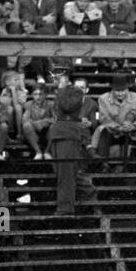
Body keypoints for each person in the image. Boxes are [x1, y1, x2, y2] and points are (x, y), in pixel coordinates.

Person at [47, 84, 97, 215]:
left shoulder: (63, 95)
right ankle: (67, 207)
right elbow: (68, 107)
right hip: (66, 132)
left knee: (66, 172)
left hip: (63, 131)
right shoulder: (72, 96)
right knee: (66, 172)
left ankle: (67, 208)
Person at [93, 71, 136, 162]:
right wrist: (118, 127)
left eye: (123, 90)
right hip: (114, 132)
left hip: (133, 133)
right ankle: (103, 163)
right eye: (117, 91)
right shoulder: (103, 98)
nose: (120, 94)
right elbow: (104, 118)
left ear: (128, 89)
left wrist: (132, 126)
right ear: (112, 89)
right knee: (103, 131)